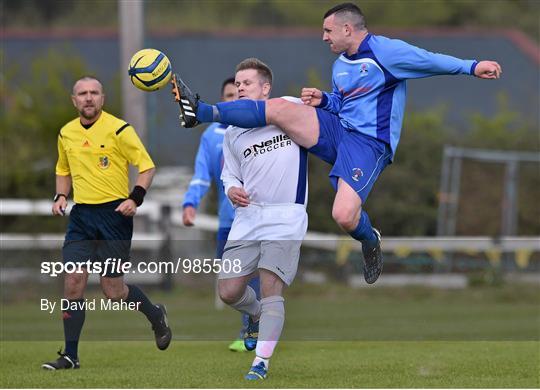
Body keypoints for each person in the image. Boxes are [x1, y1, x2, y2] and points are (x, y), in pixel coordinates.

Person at [172, 2, 502, 285]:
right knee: (283, 110)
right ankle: (201, 110)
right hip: (338, 129)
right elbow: (346, 105)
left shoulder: (386, 51)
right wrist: (325, 100)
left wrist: (473, 67)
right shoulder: (340, 65)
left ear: (348, 28)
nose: (324, 37)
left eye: (328, 31)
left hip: (368, 143)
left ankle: (370, 240)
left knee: (344, 215)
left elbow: (429, 60)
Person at [42, 76, 171, 370]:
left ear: (103, 98)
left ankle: (155, 314)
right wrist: (61, 195)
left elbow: (147, 166)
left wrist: (135, 198)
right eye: (82, 94)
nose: (88, 98)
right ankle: (70, 356)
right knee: (73, 282)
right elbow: (63, 168)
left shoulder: (119, 129)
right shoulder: (66, 133)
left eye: (94, 93)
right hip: (82, 218)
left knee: (113, 292)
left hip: (115, 217)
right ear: (74, 100)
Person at [197, 58, 307, 380]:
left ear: (266, 88)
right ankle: (258, 314)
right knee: (228, 291)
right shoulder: (232, 132)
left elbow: (320, 123)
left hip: (286, 216)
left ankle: (260, 362)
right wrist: (232, 189)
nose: (240, 87)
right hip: (248, 219)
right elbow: (229, 175)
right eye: (238, 84)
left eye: (247, 83)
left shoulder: (290, 108)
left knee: (272, 287)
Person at [182, 77, 260, 352]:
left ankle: (251, 328)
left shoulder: (260, 129)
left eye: (237, 95)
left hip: (256, 219)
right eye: (227, 95)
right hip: (228, 221)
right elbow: (202, 176)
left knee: (252, 274)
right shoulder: (212, 136)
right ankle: (257, 320)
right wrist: (190, 203)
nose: (233, 100)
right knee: (231, 281)